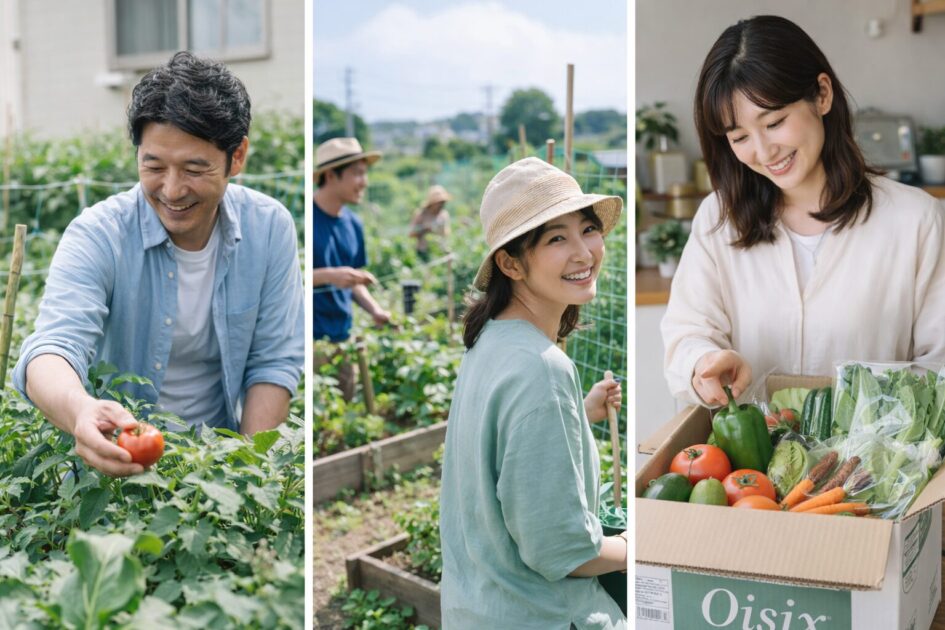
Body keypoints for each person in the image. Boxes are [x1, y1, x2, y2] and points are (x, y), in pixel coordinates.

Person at [12, 51, 304, 477]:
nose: (172, 189)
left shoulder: (269, 228)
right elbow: (52, 349)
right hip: (114, 466)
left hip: (216, 467)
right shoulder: (98, 234)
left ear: (236, 157)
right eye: (154, 165)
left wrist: (246, 476)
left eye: (194, 168)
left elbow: (273, 363)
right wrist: (81, 412)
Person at [662, 15, 945, 407]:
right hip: (751, 465)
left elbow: (940, 362)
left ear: (822, 94)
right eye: (739, 137)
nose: (763, 152)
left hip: (873, 464)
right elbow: (687, 331)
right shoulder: (718, 219)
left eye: (774, 122)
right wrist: (703, 362)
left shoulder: (916, 220)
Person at [439, 157, 627, 629]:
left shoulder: (490, 342)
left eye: (587, 229)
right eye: (556, 238)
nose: (584, 252)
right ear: (510, 262)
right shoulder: (541, 370)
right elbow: (562, 552)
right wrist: (641, 546)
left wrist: (576, 415)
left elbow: (502, 457)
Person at [313, 137, 391, 400]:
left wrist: (375, 310)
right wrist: (329, 276)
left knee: (343, 415)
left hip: (342, 337)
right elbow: (284, 279)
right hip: (307, 342)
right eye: (357, 173)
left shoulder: (353, 224)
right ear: (331, 176)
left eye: (365, 173)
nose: (364, 182)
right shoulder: (303, 219)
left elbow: (353, 281)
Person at [408, 184, 451, 261]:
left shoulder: (444, 215)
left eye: (443, 202)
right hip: (423, 252)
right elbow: (411, 233)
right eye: (439, 202)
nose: (441, 205)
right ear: (432, 203)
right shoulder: (421, 214)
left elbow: (446, 233)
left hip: (439, 251)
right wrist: (424, 229)